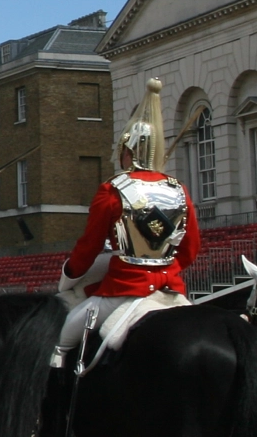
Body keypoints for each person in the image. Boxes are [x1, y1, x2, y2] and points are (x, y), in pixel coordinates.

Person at [54, 78, 201, 363]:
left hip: (123, 288)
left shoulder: (112, 190)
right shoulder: (178, 189)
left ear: (127, 150)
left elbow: (90, 246)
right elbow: (190, 249)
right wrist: (165, 270)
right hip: (171, 288)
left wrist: (69, 275)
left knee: (60, 340)